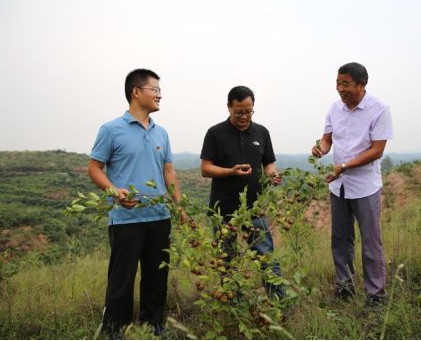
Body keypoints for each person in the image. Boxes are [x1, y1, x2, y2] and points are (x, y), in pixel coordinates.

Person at [88, 69, 183, 338]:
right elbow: (94, 168)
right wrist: (114, 191)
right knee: (122, 279)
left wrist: (179, 206)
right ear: (136, 92)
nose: (160, 95)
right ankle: (115, 329)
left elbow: (169, 172)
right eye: (155, 89)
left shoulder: (161, 133)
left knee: (156, 277)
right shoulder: (111, 129)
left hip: (159, 217)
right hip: (126, 219)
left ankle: (152, 325)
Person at [311, 62, 393, 306]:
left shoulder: (379, 109)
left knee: (370, 242)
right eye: (337, 83)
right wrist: (320, 149)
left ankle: (375, 295)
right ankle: (345, 287)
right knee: (340, 239)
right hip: (339, 186)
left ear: (361, 84)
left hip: (365, 186)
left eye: (345, 84)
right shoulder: (334, 108)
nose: (339, 88)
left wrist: (345, 167)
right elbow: (327, 140)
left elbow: (377, 150)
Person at [200, 85, 285, 298]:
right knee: (227, 261)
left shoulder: (261, 132)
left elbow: (269, 163)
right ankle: (234, 305)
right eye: (239, 112)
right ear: (229, 108)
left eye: (249, 111)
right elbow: (205, 168)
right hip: (224, 211)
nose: (244, 116)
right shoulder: (215, 133)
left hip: (254, 208)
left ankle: (279, 303)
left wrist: (272, 174)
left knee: (266, 256)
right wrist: (231, 171)